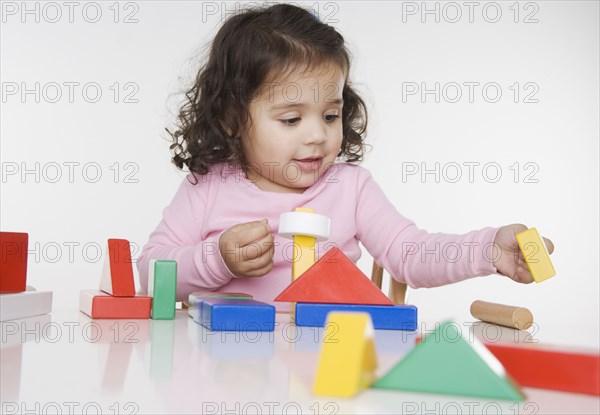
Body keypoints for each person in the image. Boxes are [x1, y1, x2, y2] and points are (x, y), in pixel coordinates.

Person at [137, 4, 554, 309]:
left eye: (331, 114)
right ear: (231, 119)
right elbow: (150, 273)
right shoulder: (211, 186)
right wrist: (216, 260)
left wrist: (487, 251)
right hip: (228, 372)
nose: (318, 135)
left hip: (329, 365)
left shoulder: (350, 188)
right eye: (290, 119)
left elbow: (410, 252)